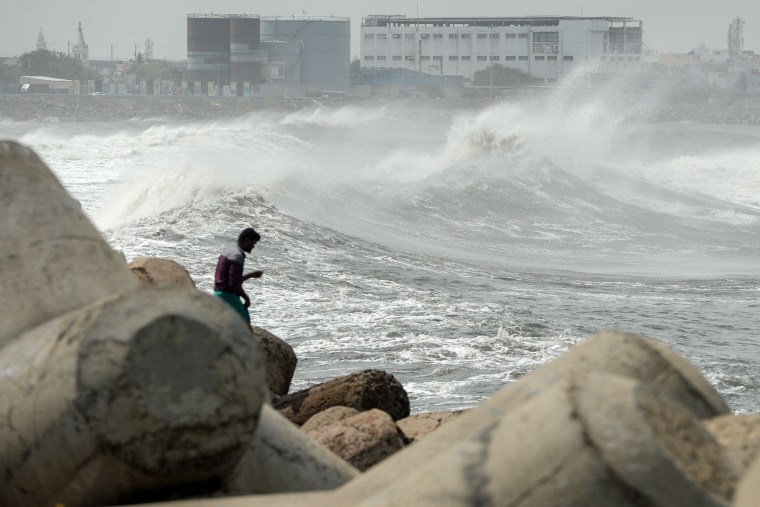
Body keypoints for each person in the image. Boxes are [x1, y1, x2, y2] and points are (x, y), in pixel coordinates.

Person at [213, 227, 263, 324]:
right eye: (253, 243)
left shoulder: (228, 251)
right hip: (228, 296)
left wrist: (250, 275)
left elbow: (230, 279)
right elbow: (234, 285)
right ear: (246, 240)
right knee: (245, 324)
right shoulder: (237, 255)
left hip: (218, 293)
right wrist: (246, 298)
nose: (253, 246)